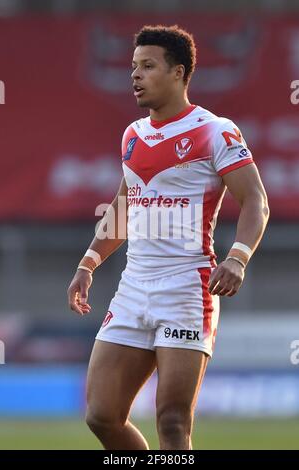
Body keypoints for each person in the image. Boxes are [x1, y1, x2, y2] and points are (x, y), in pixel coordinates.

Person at [67, 25, 269, 450]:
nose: (135, 76)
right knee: (101, 415)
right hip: (133, 288)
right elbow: (123, 207)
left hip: (186, 288)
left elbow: (256, 201)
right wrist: (88, 264)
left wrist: (237, 257)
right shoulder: (132, 135)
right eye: (133, 67)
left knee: (173, 423)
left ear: (178, 73)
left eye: (148, 66)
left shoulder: (215, 131)